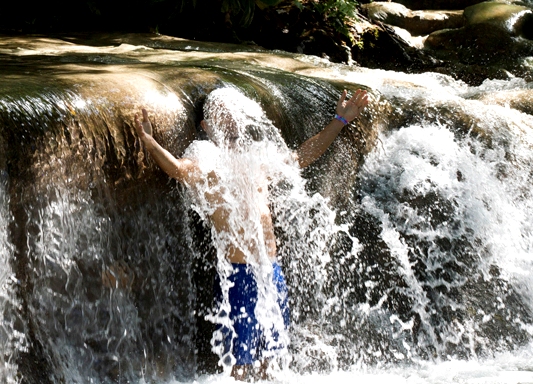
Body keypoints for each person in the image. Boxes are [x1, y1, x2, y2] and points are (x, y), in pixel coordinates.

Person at [134, 87, 369, 380]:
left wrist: (340, 120)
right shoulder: (206, 154)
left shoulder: (255, 155)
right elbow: (179, 169)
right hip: (239, 275)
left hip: (271, 271)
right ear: (207, 126)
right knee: (240, 362)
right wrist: (149, 141)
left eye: (232, 109)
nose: (231, 116)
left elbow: (303, 156)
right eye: (221, 111)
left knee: (274, 357)